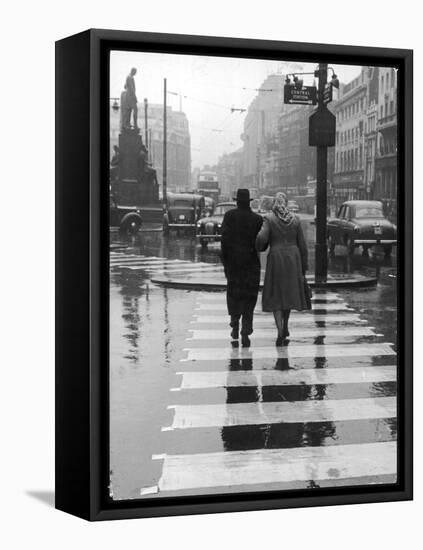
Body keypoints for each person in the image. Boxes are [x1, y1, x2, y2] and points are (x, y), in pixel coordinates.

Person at [256, 192, 309, 346]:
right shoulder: (295, 219)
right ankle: (285, 325)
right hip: (293, 259)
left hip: (276, 258)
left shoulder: (269, 219)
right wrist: (304, 267)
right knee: (288, 293)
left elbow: (261, 239)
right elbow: (303, 245)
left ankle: (280, 330)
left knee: (277, 295)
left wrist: (259, 246)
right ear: (285, 203)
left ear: (274, 204)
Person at [221, 189, 263, 347]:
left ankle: (234, 322)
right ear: (249, 202)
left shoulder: (229, 217)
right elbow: (261, 243)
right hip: (251, 263)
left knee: (234, 293)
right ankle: (246, 327)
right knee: (249, 295)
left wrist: (225, 262)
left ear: (237, 201)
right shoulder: (257, 219)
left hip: (233, 263)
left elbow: (224, 241)